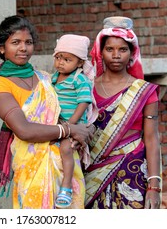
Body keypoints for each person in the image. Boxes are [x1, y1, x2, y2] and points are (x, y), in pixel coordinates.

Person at [0, 15, 94, 209]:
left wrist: (86, 129)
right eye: (15, 42)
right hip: (31, 169)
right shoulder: (0, 85)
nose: (23, 48)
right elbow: (24, 130)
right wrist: (69, 130)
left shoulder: (46, 78)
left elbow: (73, 109)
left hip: (65, 168)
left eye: (28, 42)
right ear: (2, 48)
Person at [84, 16, 161, 209]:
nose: (116, 55)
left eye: (122, 49)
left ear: (132, 53)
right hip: (91, 175)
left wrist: (154, 186)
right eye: (110, 49)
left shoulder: (144, 91)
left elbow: (151, 138)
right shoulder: (86, 87)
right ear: (100, 52)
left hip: (131, 173)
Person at [51, 34, 97, 208]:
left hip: (74, 124)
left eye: (67, 59)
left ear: (79, 63)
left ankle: (67, 187)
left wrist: (71, 125)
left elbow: (84, 102)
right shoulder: (55, 77)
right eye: (58, 57)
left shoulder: (79, 79)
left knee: (65, 148)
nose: (61, 62)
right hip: (60, 124)